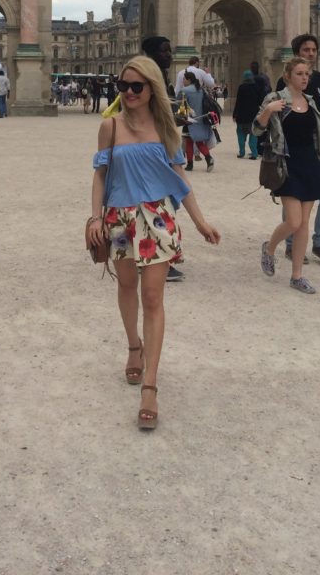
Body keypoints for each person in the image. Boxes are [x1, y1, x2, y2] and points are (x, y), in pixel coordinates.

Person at [86, 56, 221, 431]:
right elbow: (99, 175)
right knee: (127, 286)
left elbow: (180, 178)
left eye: (136, 87)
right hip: (118, 219)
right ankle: (134, 346)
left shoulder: (167, 129)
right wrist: (95, 216)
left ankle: (150, 385)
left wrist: (199, 221)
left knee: (153, 298)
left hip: (158, 217)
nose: (128, 93)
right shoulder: (109, 127)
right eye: (123, 86)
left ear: (151, 90)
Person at [254, 57, 320, 295]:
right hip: (286, 165)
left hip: (310, 164)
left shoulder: (310, 101)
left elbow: (318, 138)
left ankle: (297, 276)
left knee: (303, 224)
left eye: (306, 73)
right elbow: (256, 129)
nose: (305, 77)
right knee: (294, 221)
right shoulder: (275, 99)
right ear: (288, 76)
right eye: (299, 73)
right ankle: (269, 248)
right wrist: (268, 111)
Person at [276, 33, 320, 268]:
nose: (311, 53)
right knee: (295, 196)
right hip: (298, 150)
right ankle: (292, 244)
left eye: (313, 49)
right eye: (306, 50)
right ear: (296, 52)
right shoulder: (285, 82)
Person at [141, 36, 185, 282]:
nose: (170, 54)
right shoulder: (150, 77)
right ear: (151, 53)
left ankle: (161, 254)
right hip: (155, 143)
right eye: (165, 51)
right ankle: (159, 260)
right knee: (160, 202)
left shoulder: (157, 75)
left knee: (163, 201)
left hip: (165, 139)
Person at [177, 71, 215, 172]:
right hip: (201, 119)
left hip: (189, 120)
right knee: (198, 141)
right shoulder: (201, 89)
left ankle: (190, 164)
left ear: (189, 80)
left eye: (184, 79)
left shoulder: (184, 90)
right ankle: (208, 159)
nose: (183, 81)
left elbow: (178, 104)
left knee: (188, 141)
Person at [232, 70, 262, 159]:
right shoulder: (256, 87)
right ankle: (254, 153)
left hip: (241, 115)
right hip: (253, 115)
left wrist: (234, 114)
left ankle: (241, 152)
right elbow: (260, 101)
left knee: (240, 134)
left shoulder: (241, 87)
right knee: (253, 134)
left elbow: (238, 102)